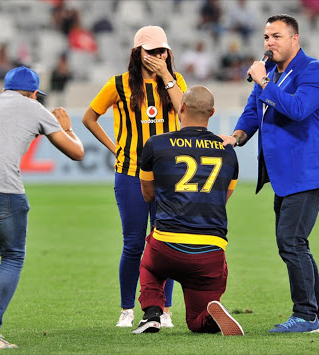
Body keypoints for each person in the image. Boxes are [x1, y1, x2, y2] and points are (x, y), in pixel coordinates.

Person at [0, 66, 84, 349]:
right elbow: (77, 153)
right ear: (34, 93)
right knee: (12, 256)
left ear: (5, 89)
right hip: (0, 186)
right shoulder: (34, 108)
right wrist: (68, 127)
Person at [220, 14, 319, 333]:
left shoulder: (312, 71)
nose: (269, 43)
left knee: (290, 241)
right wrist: (237, 136)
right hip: (285, 176)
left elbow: (297, 109)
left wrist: (264, 83)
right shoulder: (269, 73)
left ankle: (305, 315)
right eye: (266, 37)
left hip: (309, 173)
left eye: (276, 36)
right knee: (296, 242)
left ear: (295, 39)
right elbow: (251, 113)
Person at [82, 25, 187, 328]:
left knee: (165, 242)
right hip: (129, 172)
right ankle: (127, 308)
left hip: (167, 174)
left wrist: (167, 76)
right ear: (137, 53)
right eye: (151, 51)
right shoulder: (118, 84)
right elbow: (90, 117)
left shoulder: (175, 80)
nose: (158, 56)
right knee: (133, 243)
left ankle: (164, 309)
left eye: (162, 50)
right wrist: (114, 148)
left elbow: (185, 112)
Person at [132, 86, 243, 336]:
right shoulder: (227, 151)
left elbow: (148, 194)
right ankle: (210, 317)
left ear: (180, 108)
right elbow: (223, 198)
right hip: (211, 251)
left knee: (149, 266)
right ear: (212, 113)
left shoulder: (157, 144)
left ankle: (152, 313)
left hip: (167, 245)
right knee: (196, 322)